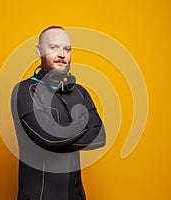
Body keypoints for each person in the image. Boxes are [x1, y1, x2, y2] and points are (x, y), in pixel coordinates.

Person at [11, 26, 106, 200]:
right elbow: (49, 139)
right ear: (39, 51)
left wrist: (59, 133)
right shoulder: (25, 90)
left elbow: (100, 137)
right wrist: (81, 124)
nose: (62, 54)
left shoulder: (80, 92)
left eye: (67, 49)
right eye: (53, 47)